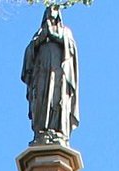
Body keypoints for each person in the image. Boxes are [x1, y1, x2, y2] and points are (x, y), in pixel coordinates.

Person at [21, 6, 79, 145]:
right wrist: (39, 40)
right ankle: (41, 132)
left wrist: (54, 35)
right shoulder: (39, 34)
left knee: (57, 100)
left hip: (59, 74)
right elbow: (29, 55)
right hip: (41, 74)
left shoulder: (65, 32)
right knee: (41, 99)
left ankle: (58, 131)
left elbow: (71, 48)